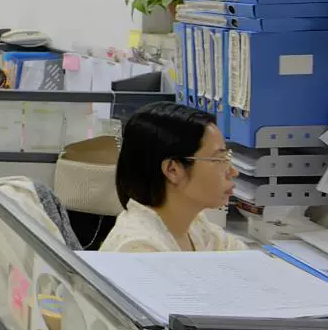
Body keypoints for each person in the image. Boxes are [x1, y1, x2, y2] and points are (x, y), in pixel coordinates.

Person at [99, 103, 248, 253]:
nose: (233, 172)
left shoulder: (193, 225)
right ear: (173, 170)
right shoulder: (138, 248)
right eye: (219, 159)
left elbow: (245, 257)